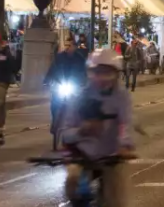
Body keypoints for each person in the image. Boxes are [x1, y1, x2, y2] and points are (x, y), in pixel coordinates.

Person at [61, 48, 136, 207]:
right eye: (97, 73)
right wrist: (82, 130)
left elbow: (126, 123)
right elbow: (66, 132)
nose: (101, 78)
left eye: (107, 73)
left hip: (112, 156)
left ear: (116, 74)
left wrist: (125, 145)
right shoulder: (80, 96)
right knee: (73, 185)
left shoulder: (121, 96)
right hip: (83, 155)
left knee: (116, 199)